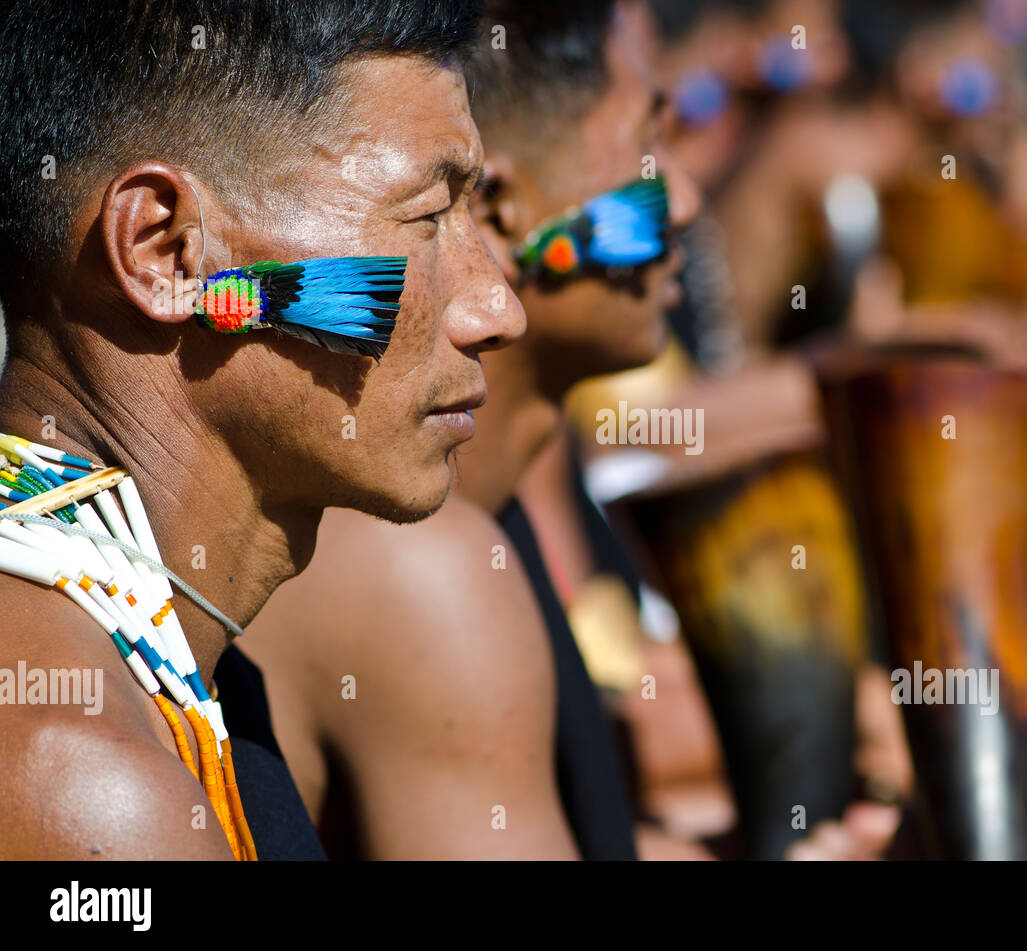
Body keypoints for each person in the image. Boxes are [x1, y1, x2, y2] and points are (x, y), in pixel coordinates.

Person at [0, 0, 522, 860]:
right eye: (428, 217)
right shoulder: (85, 781)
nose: (497, 309)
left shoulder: (199, 680)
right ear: (167, 252)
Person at [242, 0, 701, 859]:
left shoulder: (506, 495)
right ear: (505, 206)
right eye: (649, 141)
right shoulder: (417, 562)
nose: (683, 195)